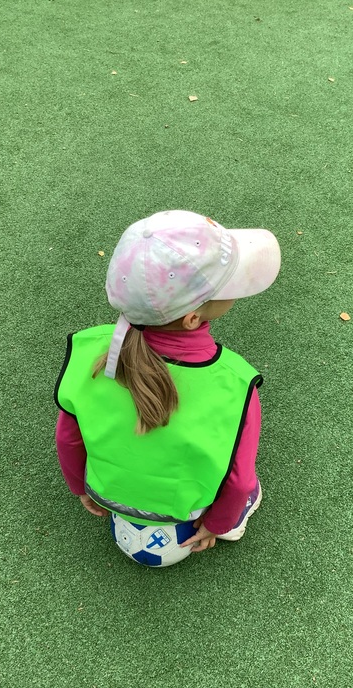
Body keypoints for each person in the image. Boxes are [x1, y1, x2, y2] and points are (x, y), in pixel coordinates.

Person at [54, 209, 281, 565]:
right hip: (187, 510)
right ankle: (231, 524)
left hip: (108, 494)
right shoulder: (234, 383)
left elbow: (68, 439)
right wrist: (218, 524)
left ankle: (128, 509)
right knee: (246, 486)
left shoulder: (88, 355)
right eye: (227, 284)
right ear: (192, 319)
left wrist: (81, 490)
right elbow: (238, 481)